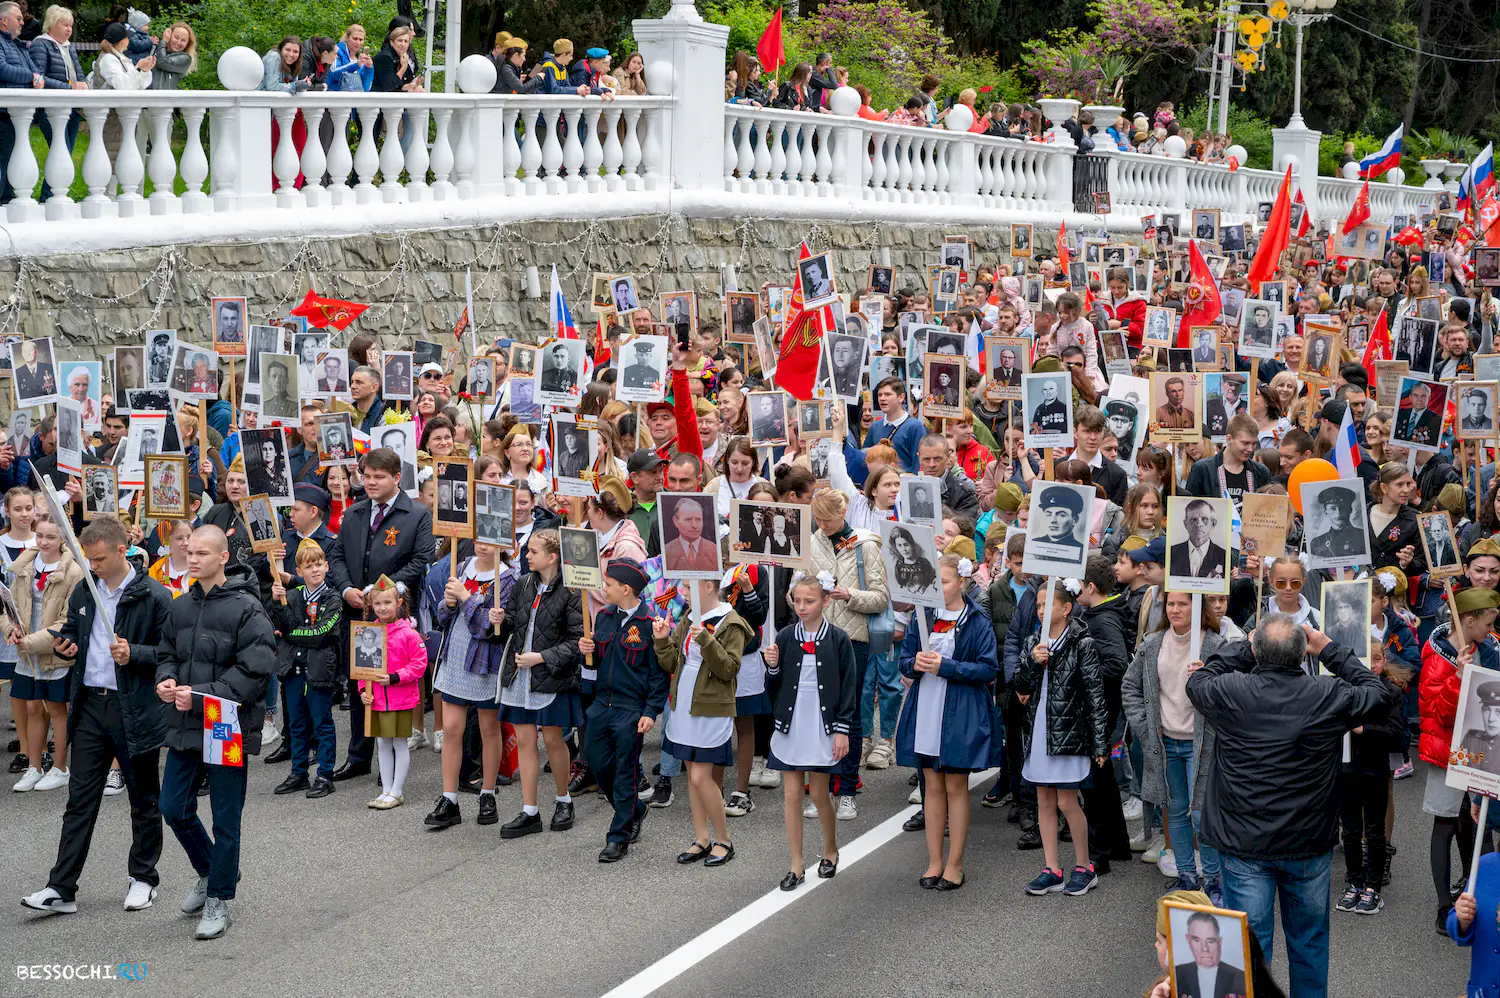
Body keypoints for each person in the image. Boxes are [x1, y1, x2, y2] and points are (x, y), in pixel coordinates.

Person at [1187, 614, 1399, 997]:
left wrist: (1243, 647)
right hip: (1307, 842)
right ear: (1304, 654)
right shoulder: (1327, 694)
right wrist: (1330, 649)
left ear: (1256, 652)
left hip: (1245, 843)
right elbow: (1378, 692)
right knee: (1308, 945)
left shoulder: (1231, 690)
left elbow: (1198, 679)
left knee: (1249, 950)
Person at [20, 517, 175, 917]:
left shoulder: (154, 596)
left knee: (143, 799)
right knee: (79, 800)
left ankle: (143, 878)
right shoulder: (84, 591)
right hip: (90, 705)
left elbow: (172, 654)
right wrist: (66, 645)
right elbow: (71, 631)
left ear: (123, 550)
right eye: (89, 559)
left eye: (100, 558)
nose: (94, 566)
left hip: (135, 708)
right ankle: (62, 887)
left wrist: (135, 654)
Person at [154, 525, 276, 940]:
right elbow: (166, 652)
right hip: (186, 722)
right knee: (173, 807)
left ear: (223, 557)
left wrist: (201, 695)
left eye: (202, 553)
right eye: (190, 552)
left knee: (226, 817)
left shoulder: (246, 607)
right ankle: (211, 871)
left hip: (224, 722)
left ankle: (218, 897)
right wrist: (166, 680)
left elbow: (256, 670)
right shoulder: (180, 606)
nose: (193, 558)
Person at [895, 554, 1000, 890]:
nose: (939, 587)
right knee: (932, 785)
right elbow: (904, 660)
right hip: (927, 704)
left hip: (960, 708)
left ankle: (955, 864)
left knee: (955, 786)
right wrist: (916, 664)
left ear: (963, 581)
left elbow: (987, 669)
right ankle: (933, 862)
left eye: (947, 581)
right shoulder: (923, 616)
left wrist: (947, 667)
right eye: (935, 581)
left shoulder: (977, 619)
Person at [328, 448, 434, 782]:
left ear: (396, 478)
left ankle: (388, 760)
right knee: (361, 682)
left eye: (379, 477)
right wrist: (348, 589)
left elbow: (421, 559)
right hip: (358, 612)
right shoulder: (356, 511)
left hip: (393, 616)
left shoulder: (415, 514)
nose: (371, 482)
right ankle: (359, 755)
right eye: (367, 476)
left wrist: (387, 591)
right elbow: (338, 556)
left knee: (390, 687)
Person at [1122, 590, 1228, 901]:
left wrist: (1209, 678)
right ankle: (1186, 876)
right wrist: (1145, 728)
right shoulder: (1153, 644)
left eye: (1183, 604)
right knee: (1176, 812)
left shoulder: (1214, 645)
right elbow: (1130, 686)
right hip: (1166, 743)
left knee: (1201, 815)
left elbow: (1232, 691)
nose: (1175, 609)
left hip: (1201, 745)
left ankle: (1213, 880)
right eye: (1171, 603)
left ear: (1197, 608)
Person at [762, 571, 856, 889]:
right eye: (797, 600)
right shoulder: (786, 637)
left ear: (826, 601)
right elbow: (773, 689)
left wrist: (842, 730)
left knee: (818, 793)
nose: (802, 606)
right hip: (791, 723)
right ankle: (796, 864)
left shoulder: (839, 639)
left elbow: (848, 690)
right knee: (790, 796)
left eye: (809, 601)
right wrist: (772, 667)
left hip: (822, 724)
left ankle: (830, 850)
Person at [1016, 578, 1109, 896]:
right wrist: (1032, 661)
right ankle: (1052, 868)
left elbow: (1095, 694)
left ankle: (1085, 866)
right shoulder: (1033, 642)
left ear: (1067, 608)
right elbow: (1020, 684)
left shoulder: (1082, 642)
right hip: (1039, 731)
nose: (1040, 610)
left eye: (1047, 605)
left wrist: (1099, 741)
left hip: (1070, 732)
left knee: (1068, 801)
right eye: (1038, 605)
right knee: (1044, 798)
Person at [655, 577, 751, 867]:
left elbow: (729, 669)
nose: (682, 593)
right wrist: (661, 639)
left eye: (687, 587)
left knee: (700, 777)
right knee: (692, 777)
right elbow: (673, 663)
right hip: (684, 701)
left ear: (708, 587)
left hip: (712, 706)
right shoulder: (690, 616)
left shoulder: (732, 623)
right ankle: (701, 838)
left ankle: (724, 840)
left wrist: (706, 640)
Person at [493, 529, 584, 836]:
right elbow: (513, 623)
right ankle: (529, 810)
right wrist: (499, 620)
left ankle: (563, 799)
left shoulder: (571, 591)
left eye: (532, 551)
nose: (526, 556)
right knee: (525, 741)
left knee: (554, 740)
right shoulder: (523, 584)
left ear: (552, 556)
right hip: (519, 674)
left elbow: (577, 642)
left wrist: (541, 657)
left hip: (552, 675)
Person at [579, 558, 667, 862]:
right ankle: (634, 810)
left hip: (631, 708)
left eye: (609, 584)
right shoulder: (602, 617)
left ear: (625, 588)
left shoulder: (649, 624)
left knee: (625, 774)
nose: (604, 588)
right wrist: (586, 654)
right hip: (602, 705)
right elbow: (597, 662)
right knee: (598, 764)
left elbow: (658, 674)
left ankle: (618, 837)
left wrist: (650, 711)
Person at [8, 517, 85, 793]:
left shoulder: (74, 571)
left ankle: (60, 768)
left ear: (63, 538)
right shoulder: (24, 565)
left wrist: (33, 641)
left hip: (52, 649)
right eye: (39, 535)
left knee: (56, 708)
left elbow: (67, 620)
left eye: (50, 537)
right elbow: (9, 606)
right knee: (31, 707)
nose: (43, 542)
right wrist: (11, 629)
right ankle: (34, 766)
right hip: (27, 650)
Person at [267, 539, 342, 798]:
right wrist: (278, 602)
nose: (315, 570)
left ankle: (325, 774)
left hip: (319, 669)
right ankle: (299, 772)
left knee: (322, 723)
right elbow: (279, 622)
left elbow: (321, 634)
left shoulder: (332, 598)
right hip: (292, 669)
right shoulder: (292, 596)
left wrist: (290, 633)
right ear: (298, 571)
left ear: (327, 566)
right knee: (296, 724)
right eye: (309, 566)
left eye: (319, 564)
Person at [357, 576, 427, 809]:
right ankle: (386, 790)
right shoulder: (368, 632)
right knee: (382, 743)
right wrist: (362, 692)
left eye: (387, 602)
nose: (382, 607)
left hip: (400, 698)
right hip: (376, 699)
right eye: (377, 604)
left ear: (398, 602)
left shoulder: (408, 633)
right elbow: (362, 667)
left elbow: (419, 664)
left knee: (399, 742)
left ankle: (397, 791)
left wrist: (395, 678)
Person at [1173, 910, 1248, 998]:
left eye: (1210, 941)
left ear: (1220, 942)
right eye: (1197, 940)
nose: (1204, 948)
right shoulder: (1177, 974)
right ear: (1188, 941)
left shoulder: (1241, 978)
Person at [1169, 499, 1226, 580]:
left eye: (1204, 519)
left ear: (1213, 524)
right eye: (1193, 519)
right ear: (1185, 524)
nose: (1199, 524)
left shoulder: (1224, 555)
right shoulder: (1171, 553)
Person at [1309, 486, 1365, 560]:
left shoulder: (1362, 536)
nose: (1338, 513)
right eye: (1333, 509)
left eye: (1342, 508)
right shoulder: (1317, 543)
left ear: (1350, 510)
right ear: (1326, 512)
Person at [663, 497, 718, 573]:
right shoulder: (666, 551)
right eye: (688, 520)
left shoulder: (714, 550)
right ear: (676, 521)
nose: (694, 525)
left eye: (698, 519)